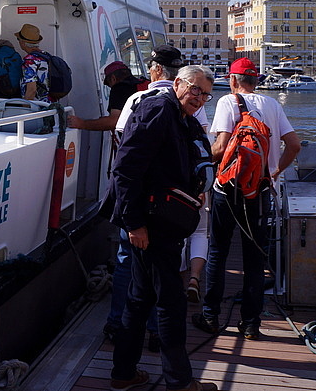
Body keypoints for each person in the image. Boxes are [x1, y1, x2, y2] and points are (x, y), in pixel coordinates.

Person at [107, 65, 218, 391]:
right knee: (170, 303)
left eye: (205, 95)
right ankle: (180, 382)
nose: (199, 98)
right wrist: (135, 224)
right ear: (178, 83)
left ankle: (123, 374)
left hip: (162, 219)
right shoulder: (158, 110)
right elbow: (125, 169)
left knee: (140, 297)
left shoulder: (180, 116)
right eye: (195, 90)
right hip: (153, 224)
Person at [194, 57, 301, 341]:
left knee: (218, 251)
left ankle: (210, 316)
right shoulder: (273, 105)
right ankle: (251, 323)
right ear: (255, 81)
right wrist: (275, 171)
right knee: (255, 257)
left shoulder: (228, 102)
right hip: (261, 190)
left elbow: (220, 148)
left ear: (232, 80)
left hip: (227, 191)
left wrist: (196, 159)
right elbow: (294, 145)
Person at [67, 61, 140, 131]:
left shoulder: (119, 88)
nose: (110, 87)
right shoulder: (142, 83)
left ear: (113, 78)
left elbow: (114, 122)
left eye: (108, 83)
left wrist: (82, 124)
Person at [15, 23, 51, 103]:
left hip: (38, 106)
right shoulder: (46, 56)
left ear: (23, 42)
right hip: (51, 104)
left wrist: (26, 107)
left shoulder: (29, 61)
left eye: (18, 39)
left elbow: (31, 90)